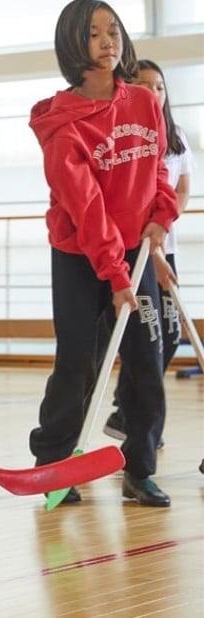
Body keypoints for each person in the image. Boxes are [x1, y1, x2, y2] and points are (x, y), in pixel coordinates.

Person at [28, 0, 178, 507]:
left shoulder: (144, 103)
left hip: (135, 251)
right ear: (73, 43)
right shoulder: (62, 125)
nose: (107, 41)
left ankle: (140, 468)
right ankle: (53, 466)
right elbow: (86, 209)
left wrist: (162, 214)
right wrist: (115, 276)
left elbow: (157, 167)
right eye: (93, 34)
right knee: (78, 363)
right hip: (80, 256)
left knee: (146, 361)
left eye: (112, 30)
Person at [104, 59, 195, 444]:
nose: (154, 93)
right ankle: (133, 420)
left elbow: (182, 189)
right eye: (144, 85)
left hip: (164, 246)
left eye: (159, 86)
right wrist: (152, 253)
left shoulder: (177, 137)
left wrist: (165, 225)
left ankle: (127, 414)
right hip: (139, 254)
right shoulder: (128, 137)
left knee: (170, 334)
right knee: (148, 337)